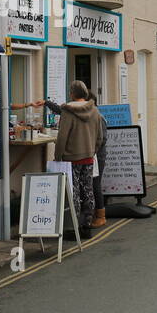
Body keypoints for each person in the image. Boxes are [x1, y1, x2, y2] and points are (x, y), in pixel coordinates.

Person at [48, 80, 105, 238]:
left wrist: (58, 156)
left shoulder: (68, 111)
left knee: (73, 193)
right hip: (88, 157)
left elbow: (62, 137)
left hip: (71, 158)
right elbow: (100, 137)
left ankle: (73, 228)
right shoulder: (94, 111)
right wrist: (93, 150)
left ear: (72, 93)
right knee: (88, 191)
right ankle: (86, 226)